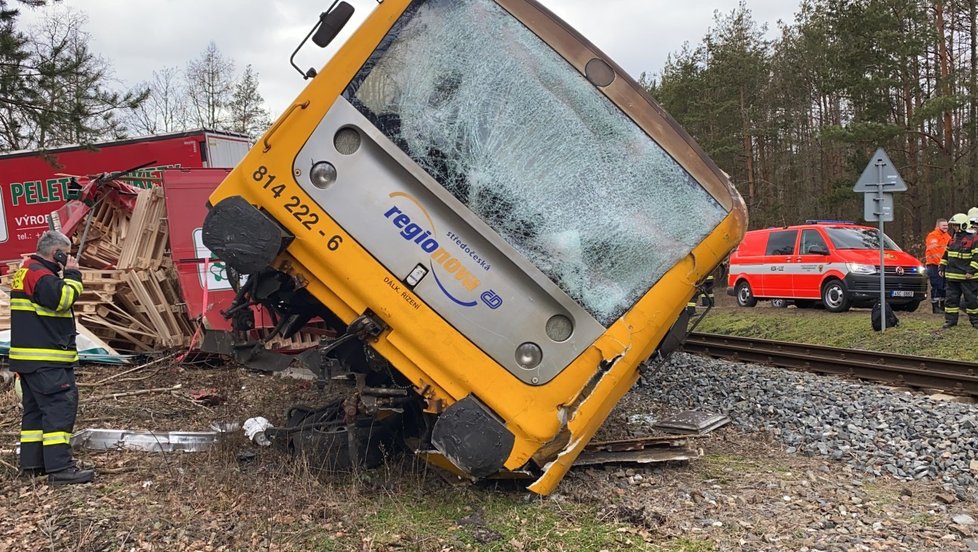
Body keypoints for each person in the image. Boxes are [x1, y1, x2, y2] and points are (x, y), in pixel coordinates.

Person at [11, 230, 94, 485]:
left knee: (35, 414)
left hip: (30, 360)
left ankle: (33, 464)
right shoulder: (41, 276)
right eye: (65, 254)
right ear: (56, 252)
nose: (67, 258)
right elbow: (63, 299)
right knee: (59, 409)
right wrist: (73, 275)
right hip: (47, 359)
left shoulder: (26, 270)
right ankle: (60, 469)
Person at [939, 213, 978, 329]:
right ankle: (950, 321)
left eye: (956, 225)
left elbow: (976, 257)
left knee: (971, 301)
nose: (954, 228)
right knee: (951, 300)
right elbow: (946, 255)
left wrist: (971, 271)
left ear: (963, 225)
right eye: (954, 225)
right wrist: (941, 267)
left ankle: (975, 321)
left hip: (967, 278)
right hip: (952, 277)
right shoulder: (952, 240)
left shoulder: (974, 239)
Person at [924, 218, 951, 313]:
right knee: (937, 285)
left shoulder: (948, 237)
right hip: (934, 265)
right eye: (944, 225)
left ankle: (943, 306)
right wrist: (941, 264)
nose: (946, 227)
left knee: (944, 286)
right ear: (938, 226)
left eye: (947, 225)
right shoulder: (933, 236)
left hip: (943, 265)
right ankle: (935, 307)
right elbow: (934, 251)